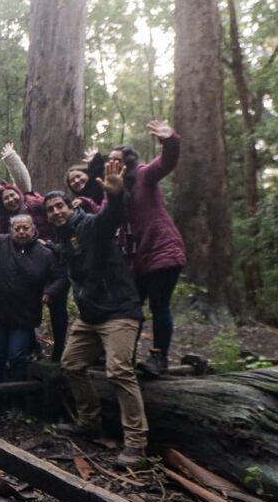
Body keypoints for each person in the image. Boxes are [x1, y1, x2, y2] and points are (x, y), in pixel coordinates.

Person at [44, 159, 149, 469]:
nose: (56, 212)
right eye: (50, 210)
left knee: (118, 371)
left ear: (70, 206)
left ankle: (136, 443)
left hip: (119, 311)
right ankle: (89, 421)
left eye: (60, 206)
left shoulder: (89, 225)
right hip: (90, 315)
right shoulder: (63, 238)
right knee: (71, 363)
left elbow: (110, 218)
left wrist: (116, 195)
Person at [0, 204, 67, 417]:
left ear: (33, 230)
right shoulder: (2, 243)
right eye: (17, 228)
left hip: (25, 315)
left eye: (25, 228)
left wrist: (49, 292)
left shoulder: (45, 254)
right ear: (11, 230)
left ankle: (17, 403)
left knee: (16, 357)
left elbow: (60, 276)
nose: (21, 232)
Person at [108, 120, 186, 375]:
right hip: (137, 259)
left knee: (159, 305)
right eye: (110, 160)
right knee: (132, 307)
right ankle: (124, 356)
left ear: (128, 162)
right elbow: (103, 216)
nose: (113, 164)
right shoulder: (117, 189)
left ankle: (158, 358)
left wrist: (169, 139)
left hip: (162, 249)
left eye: (117, 159)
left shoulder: (143, 175)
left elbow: (167, 162)